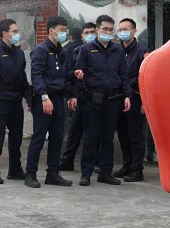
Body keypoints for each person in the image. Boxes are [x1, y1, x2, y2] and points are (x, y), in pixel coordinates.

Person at [74, 14, 131, 186]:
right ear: (97, 30)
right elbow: (78, 73)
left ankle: (105, 172)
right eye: (105, 28)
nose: (108, 31)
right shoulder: (86, 49)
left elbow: (124, 75)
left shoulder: (118, 50)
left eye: (110, 29)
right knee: (91, 136)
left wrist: (127, 95)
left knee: (107, 138)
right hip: (93, 100)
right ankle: (86, 173)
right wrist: (78, 80)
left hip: (113, 99)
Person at [25, 16, 73, 188]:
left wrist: (74, 86)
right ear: (51, 30)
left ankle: (53, 173)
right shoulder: (41, 50)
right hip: (43, 99)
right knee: (39, 138)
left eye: (65, 29)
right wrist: (44, 97)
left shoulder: (63, 51)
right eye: (61, 29)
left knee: (57, 138)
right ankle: (30, 173)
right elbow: (36, 75)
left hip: (59, 98)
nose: (64, 32)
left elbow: (66, 75)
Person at [0, 19, 30, 184]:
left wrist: (29, 99)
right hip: (0, 100)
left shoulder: (18, 52)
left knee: (16, 138)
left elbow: (23, 77)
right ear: (4, 33)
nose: (17, 34)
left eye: (17, 31)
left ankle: (15, 169)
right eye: (15, 31)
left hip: (16, 100)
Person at [114, 18, 148, 182]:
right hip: (119, 98)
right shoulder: (116, 50)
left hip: (135, 97)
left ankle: (137, 167)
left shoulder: (142, 51)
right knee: (123, 133)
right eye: (120, 29)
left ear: (134, 31)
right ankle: (127, 163)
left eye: (125, 29)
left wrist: (144, 102)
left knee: (135, 134)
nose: (122, 32)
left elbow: (146, 78)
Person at [60, 22, 97, 171]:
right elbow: (70, 74)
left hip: (96, 98)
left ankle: (95, 162)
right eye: (86, 32)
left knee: (94, 132)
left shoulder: (105, 52)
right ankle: (68, 160)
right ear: (82, 35)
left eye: (92, 32)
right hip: (79, 96)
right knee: (74, 130)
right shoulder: (76, 51)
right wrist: (72, 94)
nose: (89, 35)